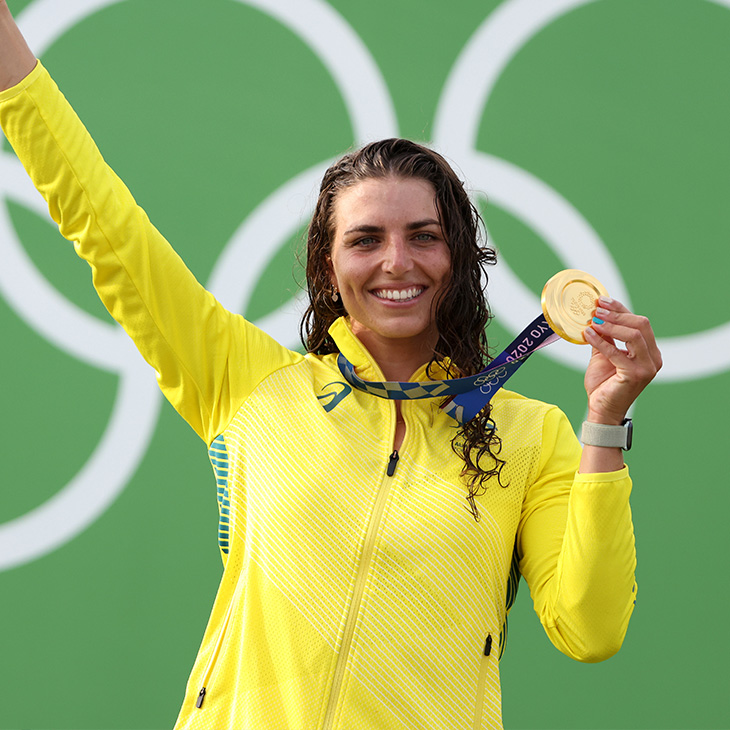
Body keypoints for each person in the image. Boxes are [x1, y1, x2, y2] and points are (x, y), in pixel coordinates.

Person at [0, 3, 662, 728]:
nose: (396, 262)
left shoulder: (532, 436)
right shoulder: (249, 383)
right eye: (366, 239)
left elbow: (591, 630)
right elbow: (103, 222)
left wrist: (605, 423)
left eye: (425, 236)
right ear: (328, 262)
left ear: (460, 259)